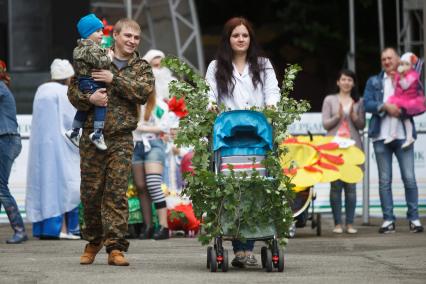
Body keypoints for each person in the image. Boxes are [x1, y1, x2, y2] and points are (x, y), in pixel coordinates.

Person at [67, 18, 154, 266]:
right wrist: (89, 98)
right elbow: (73, 91)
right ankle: (94, 240)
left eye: (136, 38)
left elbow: (143, 93)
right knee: (91, 193)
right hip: (92, 138)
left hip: (121, 138)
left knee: (116, 193)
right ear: (114, 35)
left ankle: (115, 247)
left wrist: (113, 79)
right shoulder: (93, 55)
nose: (131, 41)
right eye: (127, 36)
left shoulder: (140, 66)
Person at [205, 17, 280, 268]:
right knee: (231, 191)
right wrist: (210, 106)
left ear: (250, 39)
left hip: (257, 137)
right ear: (228, 39)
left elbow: (272, 91)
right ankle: (240, 249)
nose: (240, 39)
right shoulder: (216, 67)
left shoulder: (263, 64)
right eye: (235, 35)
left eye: (244, 35)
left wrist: (271, 107)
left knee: (255, 190)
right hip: (227, 139)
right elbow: (209, 94)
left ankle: (246, 248)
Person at [364, 47, 424, 234]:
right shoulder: (374, 81)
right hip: (381, 136)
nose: (387, 61)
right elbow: (367, 103)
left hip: (403, 136)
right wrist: (385, 107)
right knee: (384, 180)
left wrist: (404, 110)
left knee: (409, 178)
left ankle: (414, 219)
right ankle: (388, 220)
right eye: (383, 59)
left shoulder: (411, 77)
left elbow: (421, 102)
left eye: (390, 58)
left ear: (398, 59)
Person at [26, 59, 80, 240]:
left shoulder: (41, 90)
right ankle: (65, 228)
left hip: (41, 148)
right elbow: (71, 120)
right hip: (62, 146)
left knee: (45, 184)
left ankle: (46, 228)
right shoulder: (65, 92)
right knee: (67, 185)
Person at [130, 49, 173, 240]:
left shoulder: (160, 106)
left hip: (154, 145)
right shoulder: (132, 103)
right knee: (140, 186)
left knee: (153, 183)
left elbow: (164, 128)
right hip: (136, 146)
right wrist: (143, 127)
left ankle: (163, 226)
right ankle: (148, 226)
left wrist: (141, 127)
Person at [321, 69, 365, 234]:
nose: (346, 82)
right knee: (336, 187)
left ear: (353, 83)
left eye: (350, 80)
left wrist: (353, 116)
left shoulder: (359, 101)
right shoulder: (330, 99)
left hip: (352, 149)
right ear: (338, 82)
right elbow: (325, 124)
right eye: (343, 79)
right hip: (334, 148)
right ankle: (338, 223)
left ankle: (350, 224)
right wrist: (338, 116)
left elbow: (361, 125)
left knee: (351, 188)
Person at [65, 13, 114, 151]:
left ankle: (74, 131)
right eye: (97, 31)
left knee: (84, 108)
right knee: (101, 103)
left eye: (102, 30)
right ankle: (97, 134)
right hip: (92, 80)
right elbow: (100, 62)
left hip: (84, 81)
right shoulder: (90, 47)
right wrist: (109, 57)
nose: (101, 34)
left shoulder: (81, 47)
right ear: (88, 33)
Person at [0, 60, 28, 244]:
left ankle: (19, 229)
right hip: (6, 139)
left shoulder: (0, 87)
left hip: (6, 140)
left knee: (1, 187)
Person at [385, 52, 426, 148]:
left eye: (406, 64)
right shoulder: (401, 75)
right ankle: (407, 137)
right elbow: (396, 86)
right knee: (404, 118)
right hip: (401, 99)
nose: (403, 66)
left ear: (412, 66)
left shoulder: (413, 75)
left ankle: (395, 134)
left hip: (409, 101)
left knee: (401, 117)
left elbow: (405, 85)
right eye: (402, 64)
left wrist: (401, 77)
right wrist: (394, 78)